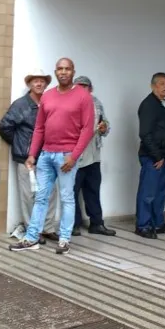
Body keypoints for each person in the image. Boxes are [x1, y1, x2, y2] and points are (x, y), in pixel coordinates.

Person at [9, 58, 95, 255]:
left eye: (67, 69)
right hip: (46, 155)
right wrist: (32, 154)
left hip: (66, 157)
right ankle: (31, 238)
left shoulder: (83, 96)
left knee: (67, 198)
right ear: (55, 72)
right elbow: (39, 128)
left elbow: (87, 130)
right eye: (60, 69)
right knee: (40, 197)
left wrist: (73, 156)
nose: (63, 72)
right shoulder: (47, 96)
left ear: (73, 71)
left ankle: (64, 240)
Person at [0, 69, 59, 241]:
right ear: (29, 84)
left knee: (50, 193)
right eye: (35, 81)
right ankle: (33, 230)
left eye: (42, 81)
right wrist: (21, 145)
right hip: (26, 159)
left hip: (48, 156)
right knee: (29, 195)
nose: (39, 84)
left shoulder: (50, 102)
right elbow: (5, 127)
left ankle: (47, 228)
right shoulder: (20, 105)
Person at [136, 72, 165, 238]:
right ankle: (143, 225)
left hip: (164, 157)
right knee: (148, 193)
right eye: (161, 83)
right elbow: (145, 134)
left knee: (160, 192)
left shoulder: (164, 104)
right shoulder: (148, 105)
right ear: (153, 86)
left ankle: (157, 223)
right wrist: (157, 156)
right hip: (153, 158)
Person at [72, 76, 115, 236]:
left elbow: (106, 125)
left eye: (85, 87)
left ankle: (96, 223)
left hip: (94, 155)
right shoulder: (68, 103)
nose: (82, 89)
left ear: (91, 89)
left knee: (93, 190)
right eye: (79, 86)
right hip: (75, 157)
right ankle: (73, 225)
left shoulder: (97, 103)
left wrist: (104, 128)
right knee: (71, 192)